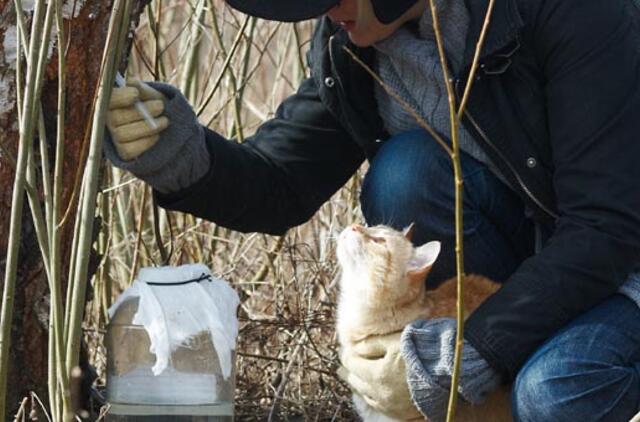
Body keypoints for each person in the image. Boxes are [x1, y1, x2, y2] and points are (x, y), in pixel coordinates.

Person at [104, 0, 640, 420]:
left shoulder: (572, 11)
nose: (324, 10)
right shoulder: (356, 43)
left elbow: (606, 226)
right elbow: (282, 183)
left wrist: (472, 351)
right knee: (407, 170)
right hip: (539, 271)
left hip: (622, 264)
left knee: (552, 395)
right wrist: (177, 153)